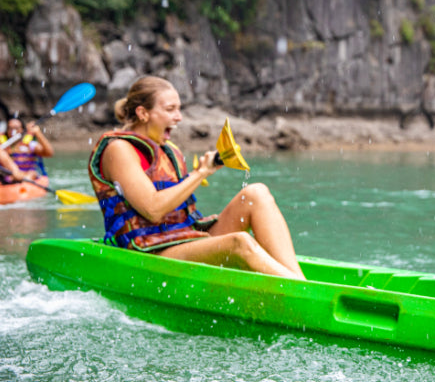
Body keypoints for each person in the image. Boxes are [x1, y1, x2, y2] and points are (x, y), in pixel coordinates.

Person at [88, 75, 305, 280]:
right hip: (147, 251)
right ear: (143, 113)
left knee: (256, 194)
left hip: (185, 239)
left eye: (179, 109)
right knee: (240, 242)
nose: (179, 117)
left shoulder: (170, 150)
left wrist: (198, 173)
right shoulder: (118, 149)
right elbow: (153, 210)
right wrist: (200, 173)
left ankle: (299, 281)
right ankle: (303, 292)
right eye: (170, 109)